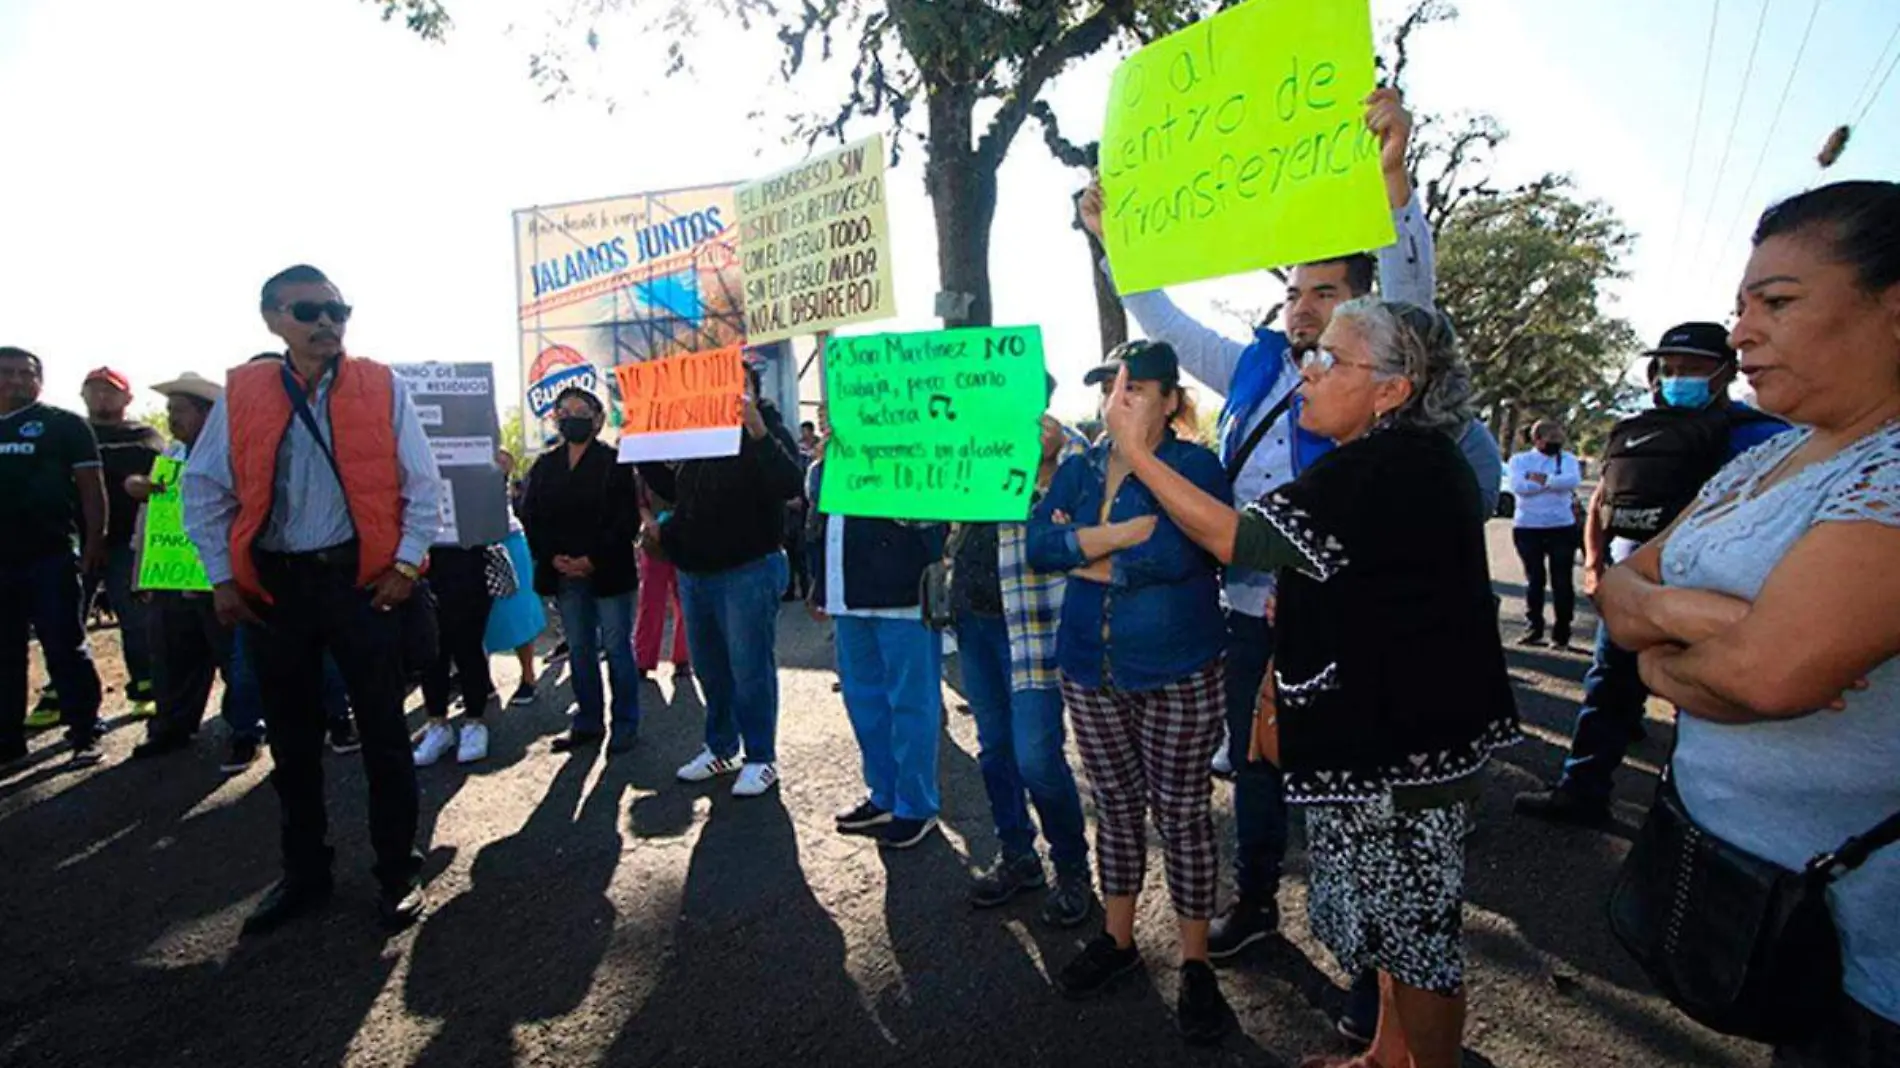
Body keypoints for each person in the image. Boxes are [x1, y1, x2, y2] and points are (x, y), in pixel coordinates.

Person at [1079, 86, 1504, 963]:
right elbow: (1161, 319)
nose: (1302, 309)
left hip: (1343, 620)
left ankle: (1380, 975)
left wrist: (1394, 183)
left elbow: (1417, 307)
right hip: (1248, 609)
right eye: (1295, 293)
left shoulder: (1385, 388)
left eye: (1326, 292)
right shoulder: (1253, 367)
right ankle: (1262, 902)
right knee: (1261, 763)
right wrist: (1114, 239)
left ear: (1362, 307)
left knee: (1359, 786)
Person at [1106, 302, 1517, 1068]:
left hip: (1405, 753)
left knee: (1418, 945)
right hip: (1391, 741)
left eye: (1330, 360)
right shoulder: (1395, 459)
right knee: (1393, 929)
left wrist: (1142, 454)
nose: (1306, 372)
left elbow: (1239, 539)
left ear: (1393, 389)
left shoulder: (1388, 465)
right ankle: (1386, 1056)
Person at [1597, 182, 1900, 1067]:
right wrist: (1693, 622)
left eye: (1777, 302)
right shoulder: (1763, 459)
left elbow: (1767, 677)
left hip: (1867, 953)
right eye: (1741, 306)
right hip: (1757, 904)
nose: (1740, 335)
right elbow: (1620, 591)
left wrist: (1662, 652)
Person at [182, 265, 442, 933]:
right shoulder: (242, 393)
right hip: (275, 589)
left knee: (385, 733)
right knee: (293, 743)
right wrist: (222, 577)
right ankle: (304, 872)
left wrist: (407, 565)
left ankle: (396, 870)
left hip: (362, 585)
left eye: (337, 309)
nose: (327, 322)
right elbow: (203, 488)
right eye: (308, 310)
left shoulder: (381, 384)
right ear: (272, 318)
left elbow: (423, 482)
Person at [1026, 341, 1235, 1045]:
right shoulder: (1081, 467)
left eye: (1137, 388)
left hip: (1179, 667)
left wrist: (1084, 547)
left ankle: (1196, 963)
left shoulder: (1196, 465)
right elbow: (1038, 546)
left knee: (1182, 815)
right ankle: (1118, 943)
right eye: (1112, 386)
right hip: (1088, 667)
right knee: (1114, 807)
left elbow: (1176, 554)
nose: (1120, 399)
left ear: (1172, 400)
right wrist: (1118, 537)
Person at [1515, 323, 1789, 826]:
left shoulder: (1762, 437)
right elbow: (1603, 503)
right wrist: (1596, 569)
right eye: (1670, 367)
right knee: (1607, 691)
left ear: (1725, 372)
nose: (1678, 377)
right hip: (1631, 589)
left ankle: (1689, 820)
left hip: (1708, 598)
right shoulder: (1636, 430)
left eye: (1693, 368)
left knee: (1701, 707)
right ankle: (1582, 790)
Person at [951, 376, 1096, 925]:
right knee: (994, 750)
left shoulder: (1070, 448)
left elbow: (1083, 513)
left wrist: (1045, 462)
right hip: (975, 619)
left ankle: (1072, 866)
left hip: (1033, 630)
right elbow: (918, 511)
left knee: (1036, 756)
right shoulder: (966, 445)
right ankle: (1018, 855)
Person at [638, 362, 803, 799]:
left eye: (739, 385)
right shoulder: (698, 434)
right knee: (711, 668)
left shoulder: (766, 428)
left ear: (753, 389)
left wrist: (757, 432)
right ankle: (721, 747)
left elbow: (790, 484)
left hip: (748, 569)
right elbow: (677, 492)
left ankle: (761, 757)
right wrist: (641, 445)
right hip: (697, 572)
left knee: (750, 669)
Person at [810, 462, 948, 849]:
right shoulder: (830, 459)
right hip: (848, 594)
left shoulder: (915, 439)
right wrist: (823, 583)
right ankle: (885, 795)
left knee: (911, 704)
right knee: (864, 702)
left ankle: (917, 805)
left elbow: (932, 514)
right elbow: (822, 521)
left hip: (903, 595)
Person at [519, 387, 642, 754]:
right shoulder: (545, 465)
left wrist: (592, 559)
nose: (572, 416)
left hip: (609, 572)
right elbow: (532, 515)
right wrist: (554, 557)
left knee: (618, 648)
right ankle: (588, 720)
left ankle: (625, 723)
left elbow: (626, 519)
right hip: (564, 574)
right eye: (564, 410)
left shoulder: (616, 462)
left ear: (598, 418)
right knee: (579, 648)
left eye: (581, 409)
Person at [0, 346, 107, 768]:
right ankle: (8, 743)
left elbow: (91, 488)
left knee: (65, 647)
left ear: (39, 381)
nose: (15, 380)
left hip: (51, 557)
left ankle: (85, 731)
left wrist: (95, 542)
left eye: (25, 374)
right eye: (6, 372)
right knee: (5, 654)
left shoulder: (63, 426)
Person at [125, 372, 233, 759]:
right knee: (171, 656)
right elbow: (153, 520)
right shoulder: (170, 457)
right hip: (172, 577)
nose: (173, 418)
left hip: (215, 578)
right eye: (170, 410)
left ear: (207, 414)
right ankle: (170, 728)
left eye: (181, 410)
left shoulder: (229, 455)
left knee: (232, 658)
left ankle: (243, 730)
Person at [79, 366, 165, 715]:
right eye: (95, 390)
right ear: (82, 394)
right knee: (64, 622)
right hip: (76, 542)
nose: (103, 397)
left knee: (137, 618)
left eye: (110, 391)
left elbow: (165, 480)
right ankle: (63, 695)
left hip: (126, 543)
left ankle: (146, 686)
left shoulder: (144, 436)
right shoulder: (72, 433)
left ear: (127, 398)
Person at [411, 537, 499, 767]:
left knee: (469, 646)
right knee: (431, 650)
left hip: (470, 556)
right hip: (425, 555)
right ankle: (437, 724)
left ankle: (474, 723)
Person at [1507, 419, 1583, 649]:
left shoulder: (1568, 459)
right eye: (1552, 439)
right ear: (1537, 440)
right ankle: (1534, 628)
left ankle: (1562, 633)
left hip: (1562, 527)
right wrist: (1554, 483)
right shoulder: (1520, 460)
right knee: (1534, 580)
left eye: (1560, 439)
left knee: (1562, 581)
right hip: (1528, 528)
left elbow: (1572, 481)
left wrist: (1541, 479)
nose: (1557, 444)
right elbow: (1519, 487)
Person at [486, 449, 547, 708]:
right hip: (464, 542)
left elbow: (505, 463)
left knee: (517, 610)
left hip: (506, 539)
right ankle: (481, 679)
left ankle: (528, 676)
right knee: (474, 614)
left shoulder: (493, 454)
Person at [633, 480, 691, 683]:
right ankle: (643, 659)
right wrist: (651, 522)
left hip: (684, 542)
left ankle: (683, 658)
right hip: (654, 544)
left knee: (685, 601)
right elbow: (640, 503)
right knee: (650, 602)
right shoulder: (647, 466)